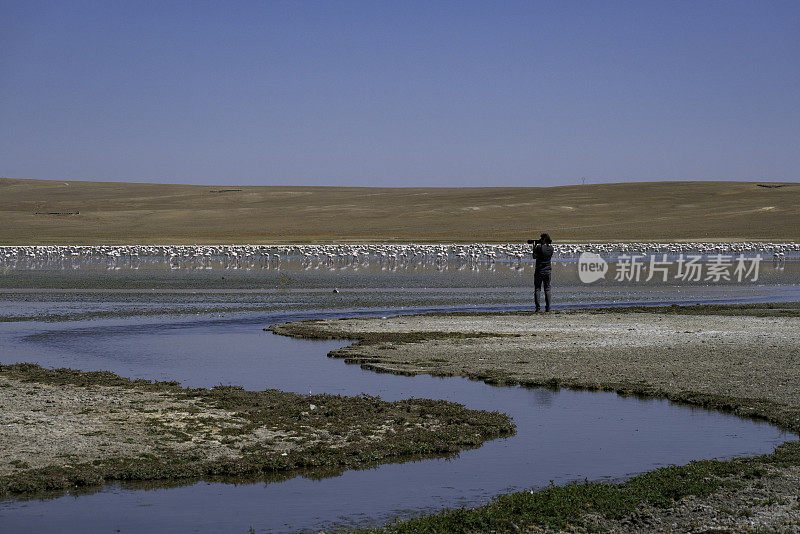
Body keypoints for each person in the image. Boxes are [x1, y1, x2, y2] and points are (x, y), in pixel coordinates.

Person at [529, 233, 553, 311]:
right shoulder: (551, 248)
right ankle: (548, 307)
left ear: (543, 239)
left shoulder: (539, 248)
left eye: (541, 239)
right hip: (548, 270)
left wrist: (534, 246)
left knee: (537, 289)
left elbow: (534, 256)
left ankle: (538, 308)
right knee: (547, 289)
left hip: (539, 270)